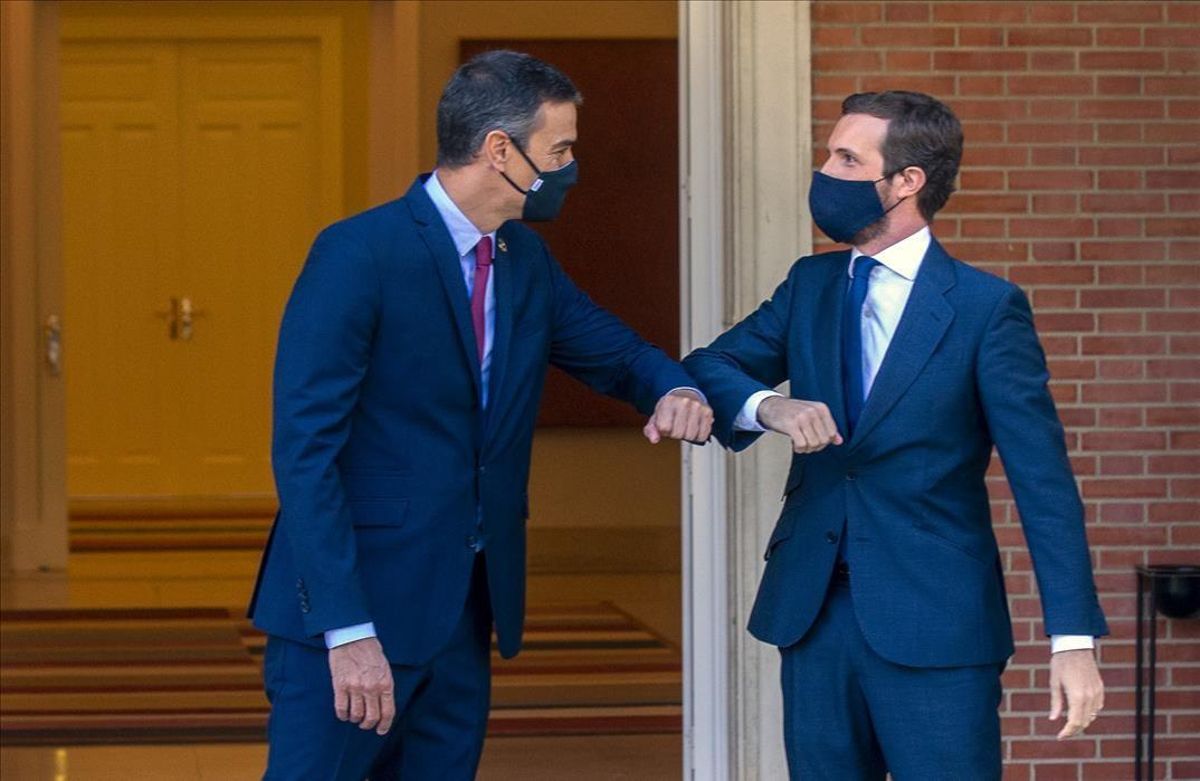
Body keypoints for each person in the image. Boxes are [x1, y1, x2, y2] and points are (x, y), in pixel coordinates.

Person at [248, 50, 712, 779]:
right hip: (351, 621)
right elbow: (305, 452)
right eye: (559, 150)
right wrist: (347, 629)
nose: (568, 169)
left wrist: (673, 390)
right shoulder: (357, 254)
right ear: (500, 149)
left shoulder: (526, 260)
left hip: (464, 621)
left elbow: (615, 352)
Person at [683, 90, 1107, 779]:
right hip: (814, 615)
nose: (825, 171)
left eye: (847, 158)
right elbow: (712, 365)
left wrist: (1073, 639)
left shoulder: (985, 308)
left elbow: (1044, 481)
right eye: (828, 154)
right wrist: (771, 407)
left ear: (906, 181)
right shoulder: (811, 284)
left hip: (938, 623)